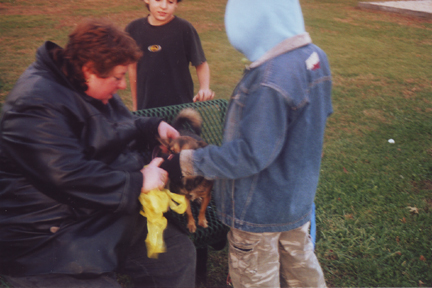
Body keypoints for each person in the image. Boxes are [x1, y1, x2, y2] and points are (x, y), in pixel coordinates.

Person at [0, 19, 196, 288]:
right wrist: (139, 181)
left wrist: (153, 127)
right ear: (89, 70)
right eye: (118, 77)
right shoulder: (34, 105)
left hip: (98, 215)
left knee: (175, 256)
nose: (123, 86)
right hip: (49, 237)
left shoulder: (87, 84)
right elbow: (68, 176)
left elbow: (116, 125)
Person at [161, 0, 333, 287]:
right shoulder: (315, 58)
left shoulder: (268, 80)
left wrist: (187, 162)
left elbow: (250, 155)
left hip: (258, 210)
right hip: (296, 200)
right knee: (300, 264)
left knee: (255, 277)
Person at [125, 0, 215, 110]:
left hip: (180, 107)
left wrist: (204, 88)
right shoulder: (134, 28)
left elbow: (201, 62)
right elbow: (132, 68)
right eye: (158, 0)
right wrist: (136, 105)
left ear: (177, 4)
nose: (164, 6)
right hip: (147, 109)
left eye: (170, 2)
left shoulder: (184, 28)